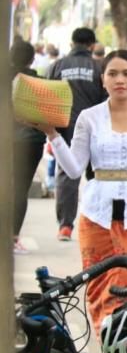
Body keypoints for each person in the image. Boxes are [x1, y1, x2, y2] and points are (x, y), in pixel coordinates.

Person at [37, 51, 127, 353]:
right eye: (113, 74)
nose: (120, 80)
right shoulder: (89, 117)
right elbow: (74, 167)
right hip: (97, 214)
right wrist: (52, 134)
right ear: (102, 79)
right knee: (100, 288)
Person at [48, 27, 106, 241]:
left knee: (67, 175)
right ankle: (99, 221)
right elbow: (104, 101)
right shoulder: (98, 68)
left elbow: (48, 99)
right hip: (96, 128)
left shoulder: (57, 66)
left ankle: (65, 225)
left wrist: (51, 133)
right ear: (92, 45)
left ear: (73, 43)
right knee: (98, 174)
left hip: (64, 127)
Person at [12, 40, 46, 255]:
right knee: (20, 189)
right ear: (32, 59)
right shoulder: (40, 82)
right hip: (30, 141)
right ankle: (13, 237)